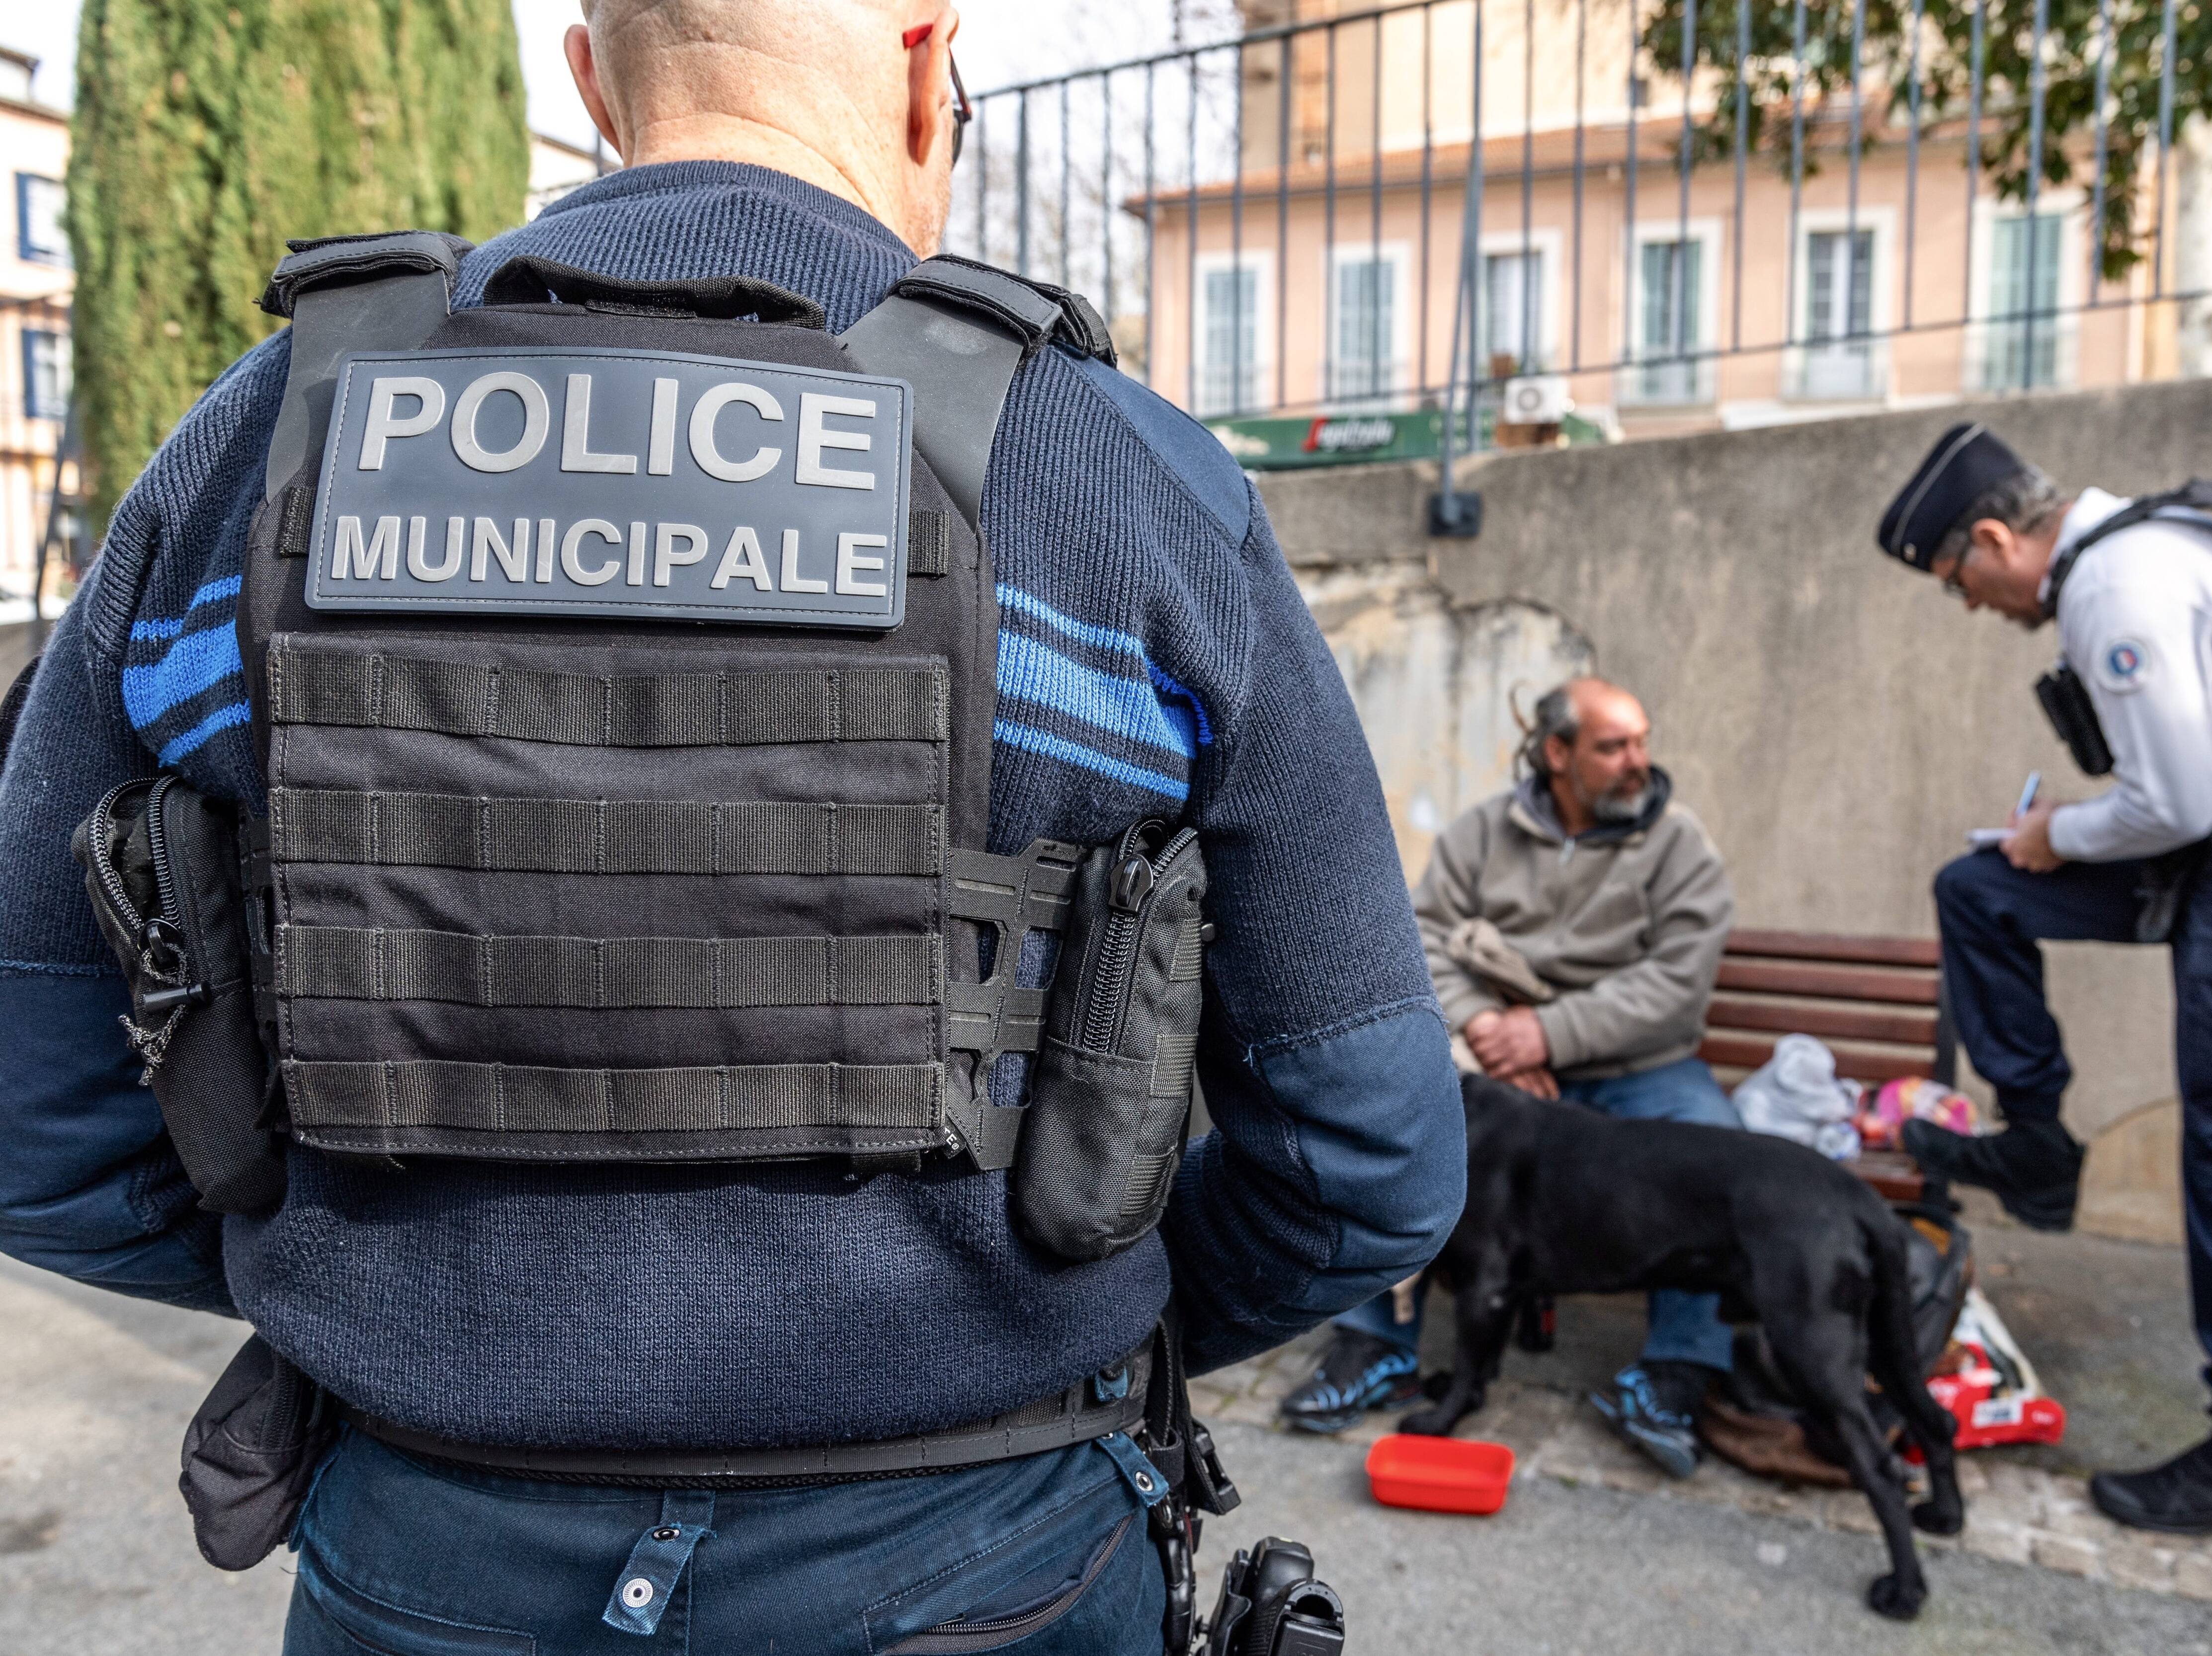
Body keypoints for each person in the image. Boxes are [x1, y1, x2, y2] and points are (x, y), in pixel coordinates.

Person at [0, 4, 1466, 1651]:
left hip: (426, 1558)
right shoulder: (1126, 482)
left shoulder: (244, 455)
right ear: (925, 63)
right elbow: (1369, 1160)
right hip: (993, 1560)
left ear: (591, 79)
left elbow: (37, 1123)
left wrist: (347, 1284)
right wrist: (1085, 1310)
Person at [1878, 424, 2212, 1539]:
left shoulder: (2118, 583)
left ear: (1996, 539)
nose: (1970, 605)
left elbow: (2175, 801)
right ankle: (2036, 1138)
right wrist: (2038, 846)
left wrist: (2057, 832)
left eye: (1958, 581)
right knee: (1980, 890)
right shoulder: (2153, 541)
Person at [1278, 677, 1738, 1478]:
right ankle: (1375, 1344)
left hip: (1632, 1068)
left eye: (1641, 740)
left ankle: (1677, 1371)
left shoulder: (1680, 844)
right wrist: (1489, 1031)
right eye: (1613, 746)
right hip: (1497, 1063)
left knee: (1717, 1148)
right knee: (1392, 1133)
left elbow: (1679, 980)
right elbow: (1418, 935)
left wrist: (1546, 1036)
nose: (1638, 760)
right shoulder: (1483, 832)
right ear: (1557, 753)